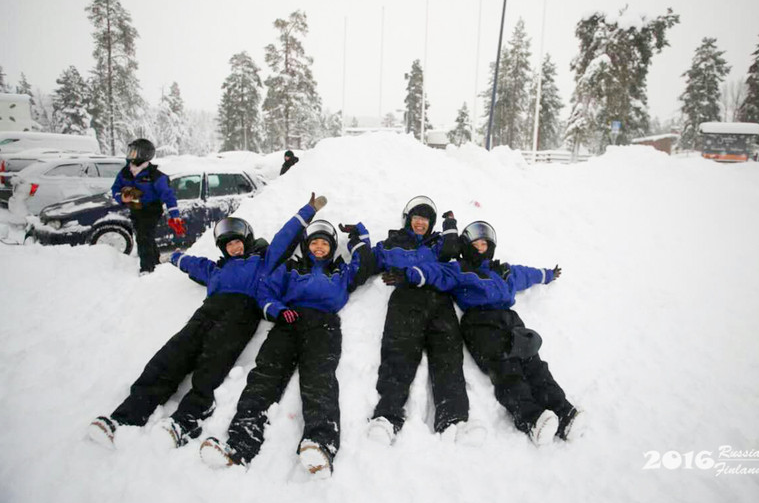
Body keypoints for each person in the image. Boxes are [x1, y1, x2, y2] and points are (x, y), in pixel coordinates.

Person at [87, 193, 328, 450]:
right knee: (171, 356)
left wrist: (308, 210)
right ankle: (126, 416)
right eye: (228, 245)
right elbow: (197, 265)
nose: (234, 248)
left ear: (246, 240)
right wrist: (177, 257)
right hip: (207, 313)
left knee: (213, 364)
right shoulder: (218, 270)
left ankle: (187, 419)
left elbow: (285, 237)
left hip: (240, 315)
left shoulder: (263, 262)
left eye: (237, 242)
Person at [384, 221, 586, 446]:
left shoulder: (503, 270)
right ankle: (532, 419)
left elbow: (526, 275)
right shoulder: (460, 268)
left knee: (534, 364)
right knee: (506, 368)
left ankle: (564, 412)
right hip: (480, 322)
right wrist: (410, 274)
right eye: (476, 244)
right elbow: (437, 272)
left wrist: (547, 274)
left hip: (510, 319)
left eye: (485, 244)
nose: (481, 248)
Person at [199, 219, 374, 479]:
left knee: (319, 379)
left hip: (323, 326)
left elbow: (365, 264)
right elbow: (266, 291)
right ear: (305, 246)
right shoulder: (291, 267)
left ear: (331, 247)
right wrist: (278, 311)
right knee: (265, 376)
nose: (318, 247)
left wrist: (361, 234)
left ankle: (321, 443)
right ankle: (241, 442)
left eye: (324, 243)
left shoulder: (341, 270)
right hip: (289, 321)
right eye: (314, 242)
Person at [367, 196, 482, 446]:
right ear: (408, 220)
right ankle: (387, 416)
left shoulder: (438, 243)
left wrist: (450, 224)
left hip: (439, 300)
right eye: (417, 218)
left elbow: (452, 260)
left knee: (448, 354)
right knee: (399, 352)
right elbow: (369, 261)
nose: (421, 223)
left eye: (426, 220)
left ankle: (454, 418)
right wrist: (357, 241)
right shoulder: (393, 242)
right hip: (406, 300)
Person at [111, 138, 185, 274]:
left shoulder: (154, 175)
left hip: (152, 210)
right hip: (135, 209)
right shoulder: (125, 172)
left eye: (134, 152)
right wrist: (121, 197)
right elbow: (115, 189)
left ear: (144, 155)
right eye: (130, 152)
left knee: (143, 237)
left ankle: (147, 268)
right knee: (145, 236)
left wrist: (175, 215)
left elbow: (168, 195)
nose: (130, 155)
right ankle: (155, 262)